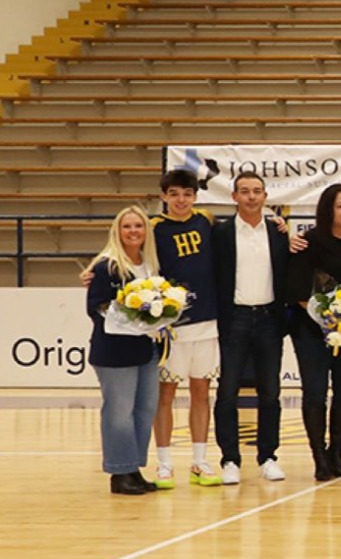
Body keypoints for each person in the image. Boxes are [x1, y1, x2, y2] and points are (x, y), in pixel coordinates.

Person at [284, 183, 341, 482]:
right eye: (340, 206)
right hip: (311, 329)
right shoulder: (309, 241)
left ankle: (337, 453)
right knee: (315, 392)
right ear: (327, 209)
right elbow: (297, 288)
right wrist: (328, 316)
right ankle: (319, 457)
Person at [210, 171, 291, 483]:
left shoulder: (277, 231)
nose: (252, 196)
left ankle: (268, 456)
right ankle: (230, 459)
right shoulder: (221, 232)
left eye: (257, 191)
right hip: (235, 319)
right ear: (234, 197)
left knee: (270, 392)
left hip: (269, 319)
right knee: (227, 391)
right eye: (244, 191)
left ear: (265, 196)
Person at [149, 168, 220, 487]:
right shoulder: (154, 227)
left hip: (207, 320)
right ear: (164, 196)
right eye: (174, 194)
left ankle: (200, 461)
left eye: (187, 194)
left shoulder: (206, 220)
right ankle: (164, 463)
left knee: (201, 391)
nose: (181, 200)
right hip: (172, 326)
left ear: (195, 196)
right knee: (165, 393)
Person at [86, 207, 162, 495]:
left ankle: (133, 468)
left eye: (138, 226)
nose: (133, 232)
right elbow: (95, 307)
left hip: (146, 348)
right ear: (117, 231)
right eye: (127, 226)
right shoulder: (106, 266)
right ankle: (119, 473)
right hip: (114, 352)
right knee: (119, 412)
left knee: (144, 410)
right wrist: (129, 318)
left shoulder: (150, 264)